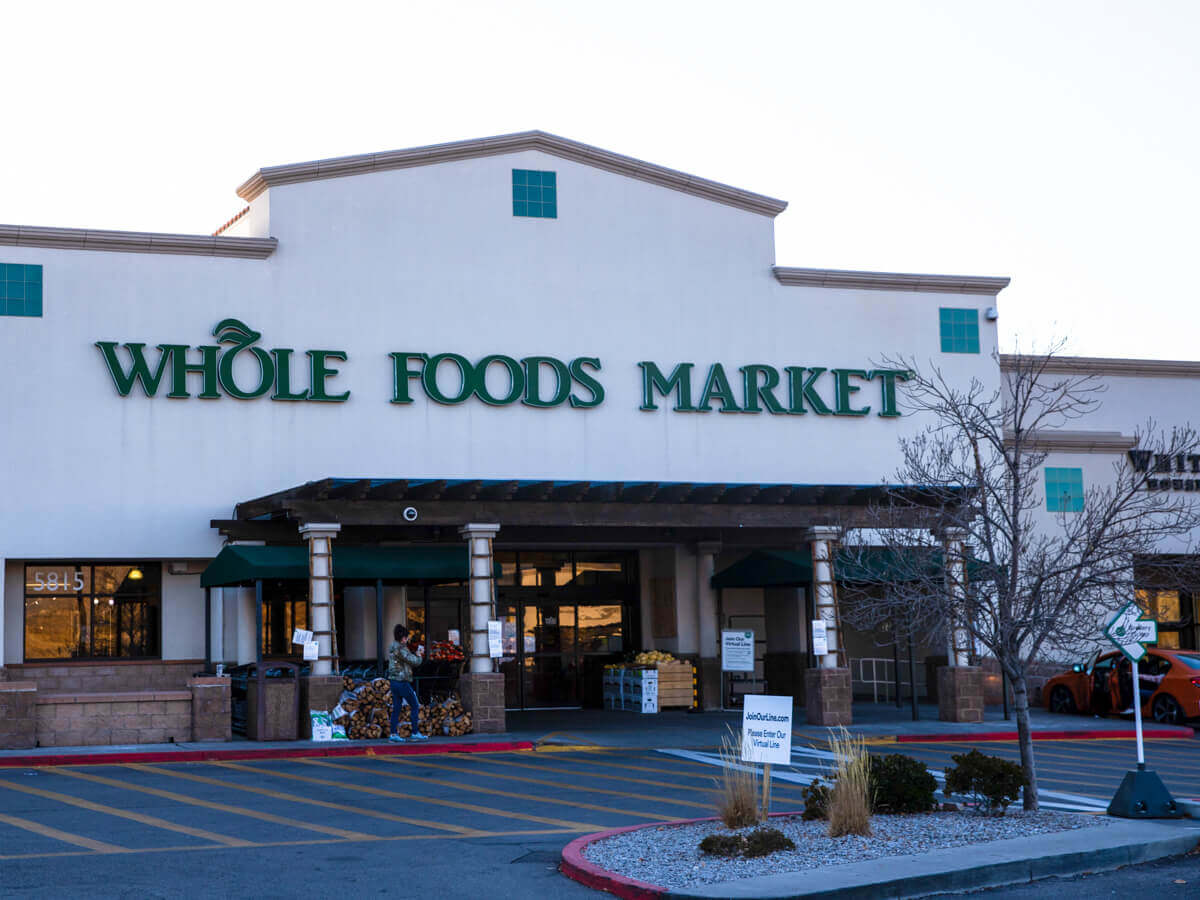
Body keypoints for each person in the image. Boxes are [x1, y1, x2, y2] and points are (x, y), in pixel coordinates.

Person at [387, 624, 428, 742]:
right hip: (402, 681)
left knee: (397, 708)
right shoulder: (401, 648)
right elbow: (413, 661)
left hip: (394, 681)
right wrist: (419, 656)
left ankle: (393, 734)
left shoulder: (393, 647)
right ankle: (415, 732)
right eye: (406, 637)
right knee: (415, 705)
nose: (407, 639)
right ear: (403, 637)